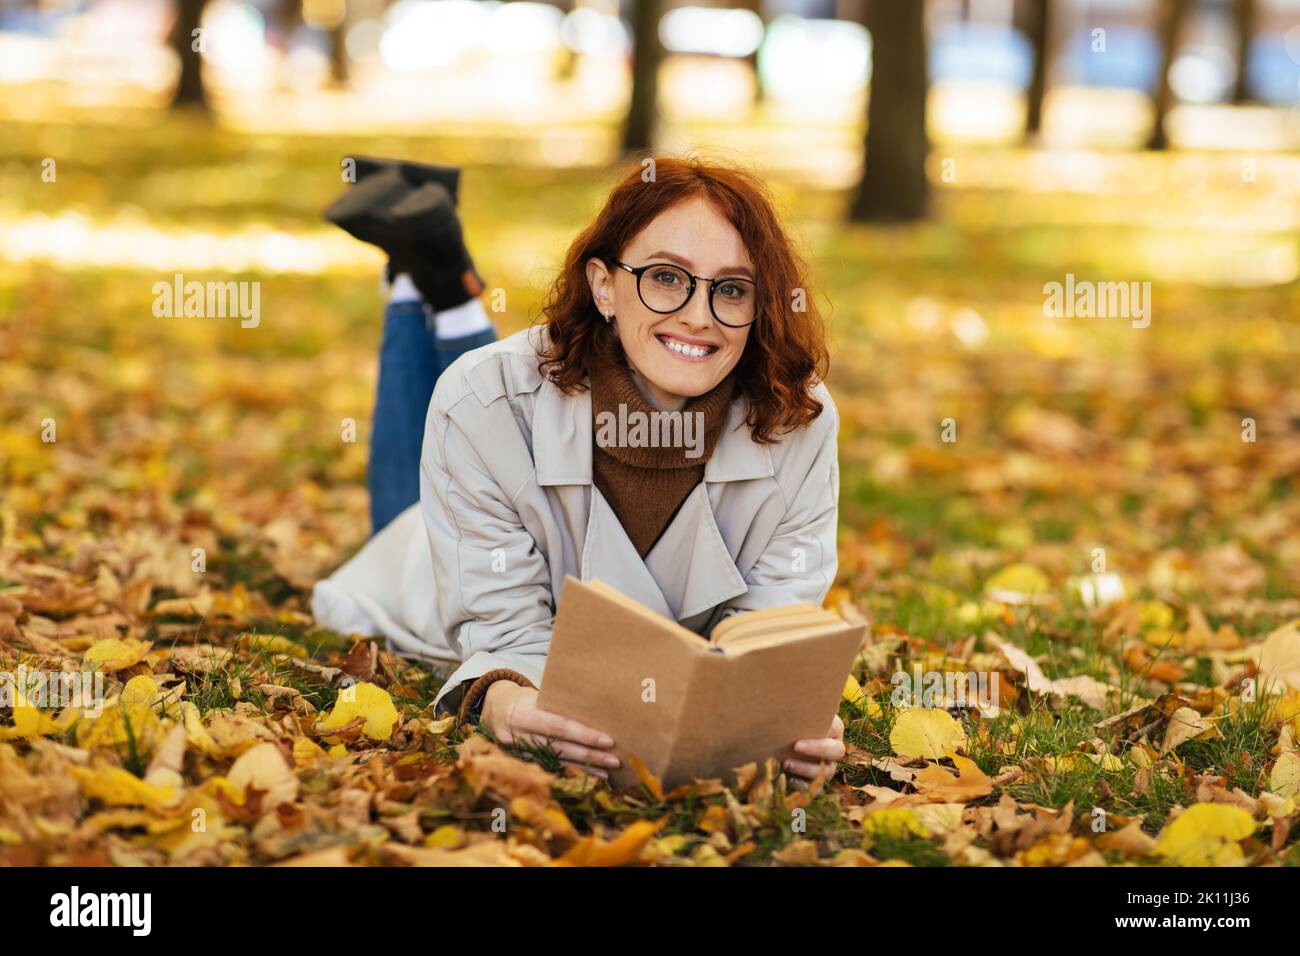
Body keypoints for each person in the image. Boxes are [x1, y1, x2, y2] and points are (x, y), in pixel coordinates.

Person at [313, 156, 845, 784]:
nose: (700, 316)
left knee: (485, 398)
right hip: (424, 564)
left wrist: (778, 708)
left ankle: (432, 273)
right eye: (667, 278)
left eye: (731, 288)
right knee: (430, 463)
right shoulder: (482, 402)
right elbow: (503, 629)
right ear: (602, 286)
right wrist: (505, 697)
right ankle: (420, 278)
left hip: (500, 420)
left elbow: (771, 624)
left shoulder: (797, 415)